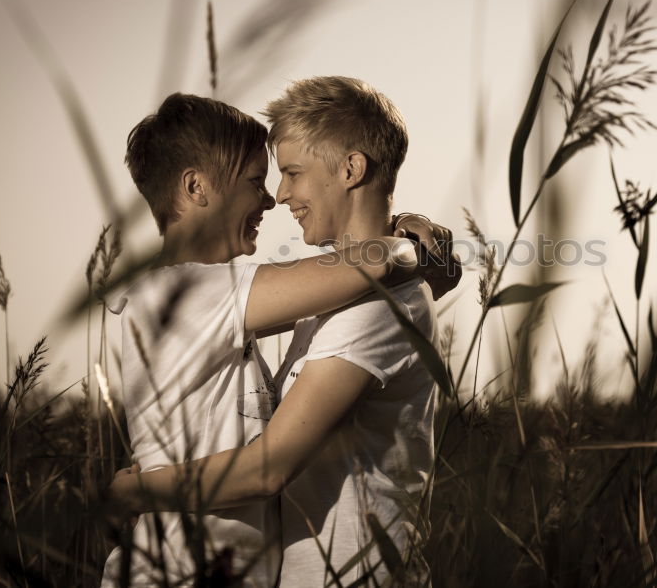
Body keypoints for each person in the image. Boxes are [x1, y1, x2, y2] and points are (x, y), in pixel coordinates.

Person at [100, 91, 455, 587]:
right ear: (196, 186)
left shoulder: (220, 305)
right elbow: (369, 265)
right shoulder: (182, 294)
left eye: (288, 175)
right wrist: (408, 243)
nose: (273, 197)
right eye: (256, 180)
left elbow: (381, 287)